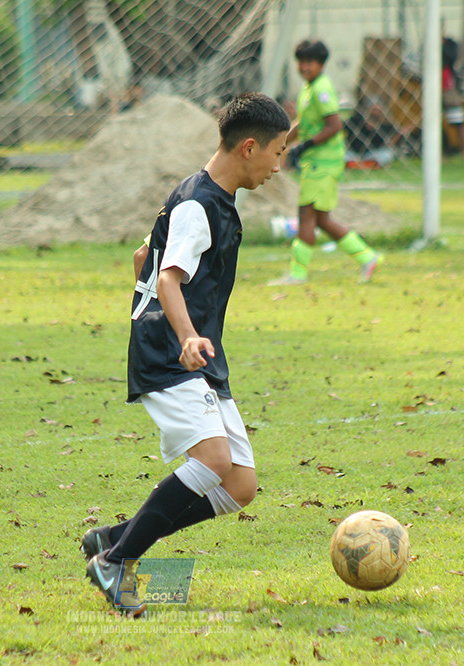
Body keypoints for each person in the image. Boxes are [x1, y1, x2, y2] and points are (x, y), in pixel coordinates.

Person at [81, 92, 291, 614]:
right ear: (249, 148)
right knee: (213, 459)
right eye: (279, 152)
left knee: (239, 484)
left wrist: (155, 297)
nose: (279, 165)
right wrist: (184, 335)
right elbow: (170, 278)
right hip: (173, 352)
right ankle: (115, 562)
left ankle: (112, 537)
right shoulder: (200, 203)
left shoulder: (207, 197)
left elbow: (144, 258)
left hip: (194, 352)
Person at [271, 40, 383, 285]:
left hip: (323, 162)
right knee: (321, 219)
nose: (304, 67)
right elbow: (304, 123)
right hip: (317, 161)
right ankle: (367, 256)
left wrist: (305, 146)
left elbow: (334, 125)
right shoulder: (308, 88)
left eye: (309, 62)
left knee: (306, 216)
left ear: (321, 64)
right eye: (301, 62)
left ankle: (297, 274)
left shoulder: (323, 88)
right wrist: (280, 143)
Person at [344, 99, 399, 168]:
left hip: (371, 154)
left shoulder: (385, 125)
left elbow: (392, 139)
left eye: (378, 111)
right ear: (368, 110)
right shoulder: (356, 120)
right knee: (343, 155)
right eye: (374, 110)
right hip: (353, 153)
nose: (376, 112)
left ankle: (359, 164)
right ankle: (367, 164)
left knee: (388, 154)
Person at [442, 37, 464, 163]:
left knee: (458, 121)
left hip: (448, 87)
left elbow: (452, 58)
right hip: (432, 87)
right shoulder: (427, 43)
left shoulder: (450, 44)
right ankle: (441, 154)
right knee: (433, 122)